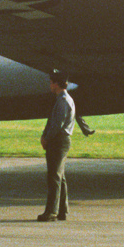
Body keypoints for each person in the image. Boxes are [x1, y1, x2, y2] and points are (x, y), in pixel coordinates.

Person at [38, 72, 76, 221]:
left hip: (58, 140)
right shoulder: (66, 99)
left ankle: (51, 212)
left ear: (56, 84)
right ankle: (62, 210)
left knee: (53, 176)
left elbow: (56, 125)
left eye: (51, 82)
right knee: (60, 176)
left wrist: (46, 138)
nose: (49, 85)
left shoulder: (62, 101)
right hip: (61, 139)